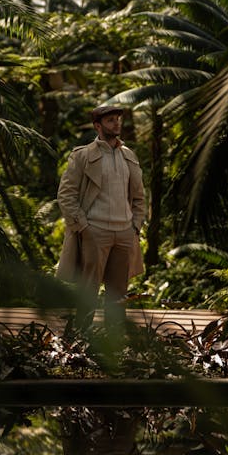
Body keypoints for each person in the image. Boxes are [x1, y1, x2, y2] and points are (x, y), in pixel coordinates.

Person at [56, 105, 146, 328]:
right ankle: (80, 339)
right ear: (98, 126)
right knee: (89, 289)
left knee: (118, 293)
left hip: (125, 232)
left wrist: (135, 226)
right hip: (95, 230)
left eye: (118, 119)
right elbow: (66, 195)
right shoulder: (83, 156)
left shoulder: (129, 155)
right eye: (110, 121)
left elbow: (139, 196)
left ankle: (113, 342)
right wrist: (84, 227)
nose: (116, 123)